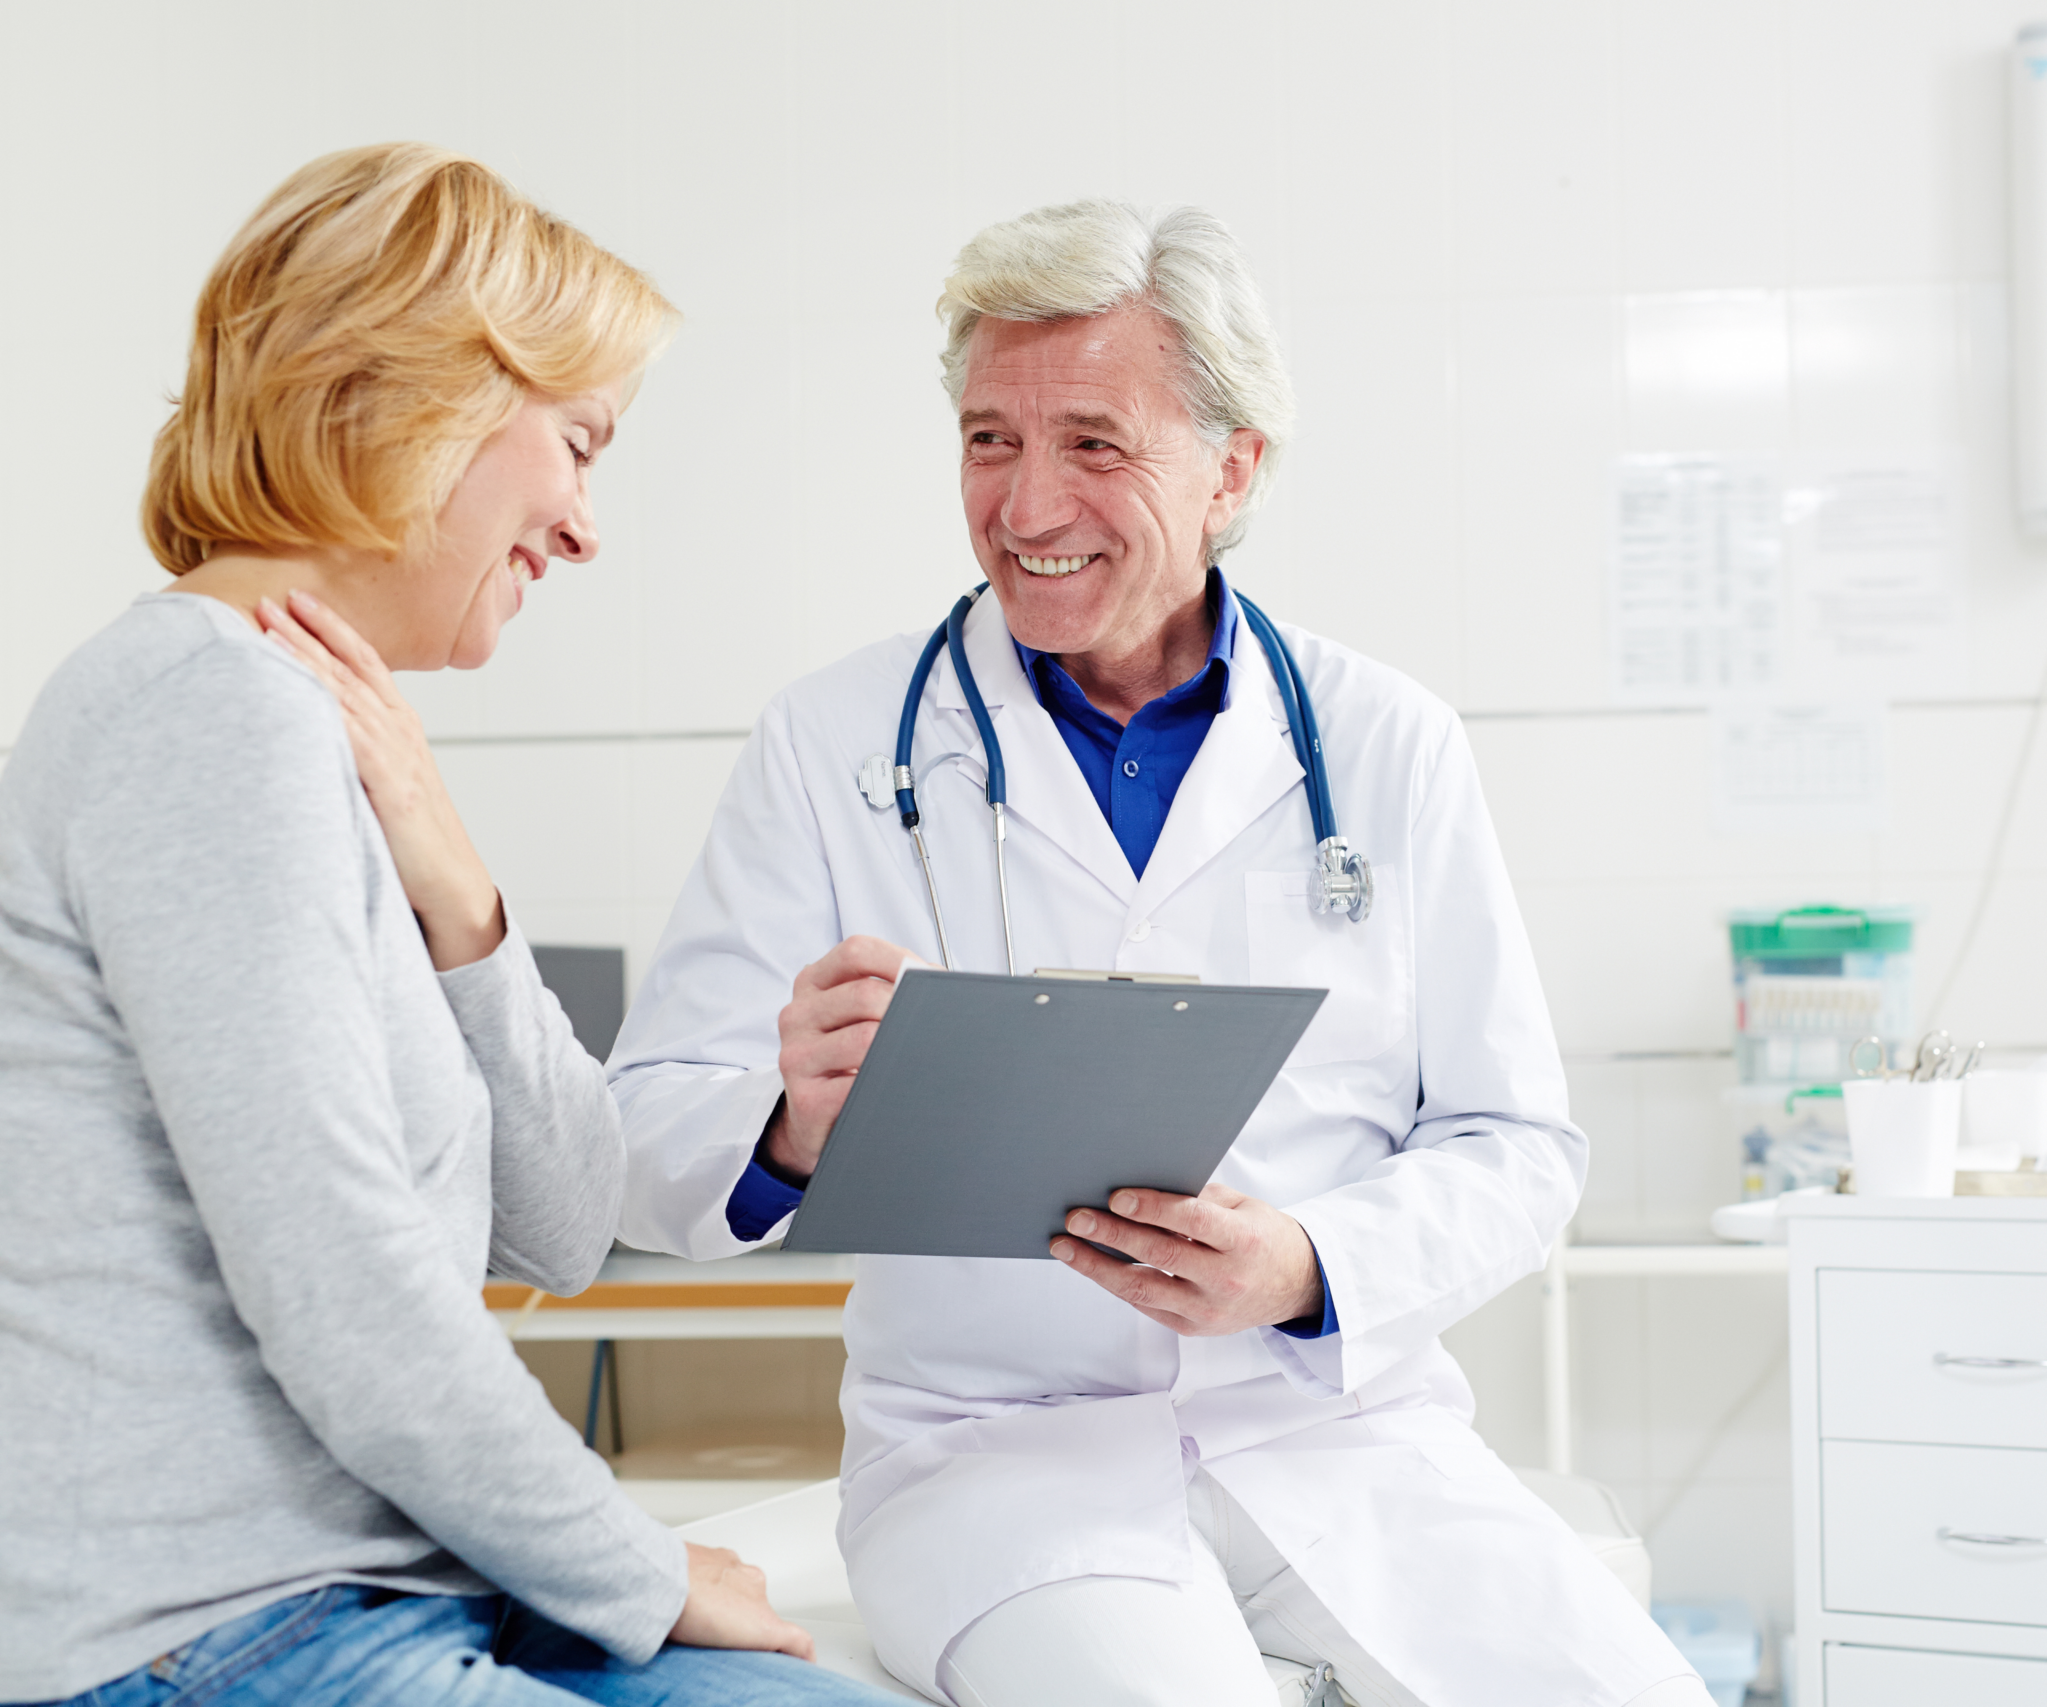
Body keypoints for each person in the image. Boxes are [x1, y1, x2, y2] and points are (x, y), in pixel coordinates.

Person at [609, 200, 1706, 1707]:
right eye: (989, 439)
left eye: (1095, 445)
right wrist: (786, 1125)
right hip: (999, 1461)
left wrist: (1309, 1264)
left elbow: (1518, 1143)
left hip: (1338, 1433)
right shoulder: (835, 743)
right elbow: (645, 1120)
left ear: (1232, 468)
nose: (1024, 498)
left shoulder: (1386, 743)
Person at [0, 144, 901, 1707]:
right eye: (579, 443)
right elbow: (347, 1296)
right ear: (421, 396)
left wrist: (463, 895)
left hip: (388, 1587)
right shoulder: (201, 714)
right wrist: (637, 1565)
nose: (587, 526)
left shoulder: (310, 733)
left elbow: (561, 1225)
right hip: (211, 1637)